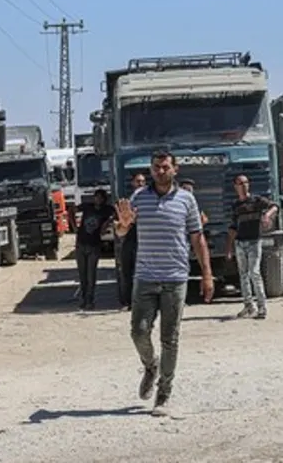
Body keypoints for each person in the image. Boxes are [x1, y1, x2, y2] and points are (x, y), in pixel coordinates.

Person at [114, 151, 213, 417]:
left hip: (175, 278)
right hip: (145, 278)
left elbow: (197, 239)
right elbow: (123, 230)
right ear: (151, 170)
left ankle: (163, 394)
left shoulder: (186, 200)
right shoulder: (139, 198)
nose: (160, 171)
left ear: (175, 169)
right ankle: (150, 365)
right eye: (156, 167)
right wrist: (123, 226)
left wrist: (206, 274)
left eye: (165, 167)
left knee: (170, 338)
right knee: (138, 331)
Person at [226, 174, 279, 320]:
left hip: (254, 242)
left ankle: (262, 307)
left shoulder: (257, 201)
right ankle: (248, 306)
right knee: (243, 275)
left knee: (254, 273)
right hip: (240, 243)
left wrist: (267, 215)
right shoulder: (236, 205)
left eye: (246, 183)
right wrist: (229, 248)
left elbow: (274, 206)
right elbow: (232, 228)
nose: (243, 185)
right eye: (240, 183)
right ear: (235, 186)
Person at [75, 189, 114, 310]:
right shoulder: (87, 207)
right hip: (81, 243)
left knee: (91, 274)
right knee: (82, 275)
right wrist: (74, 227)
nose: (98, 200)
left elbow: (116, 214)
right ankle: (83, 298)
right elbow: (72, 210)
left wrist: (106, 223)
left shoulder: (106, 210)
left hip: (94, 245)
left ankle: (89, 300)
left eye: (101, 198)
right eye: (96, 197)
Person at [116, 173, 148, 309]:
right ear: (133, 183)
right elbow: (119, 226)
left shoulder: (149, 201)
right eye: (138, 181)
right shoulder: (127, 202)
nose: (140, 184)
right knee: (127, 272)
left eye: (143, 181)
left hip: (145, 241)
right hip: (130, 239)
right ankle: (128, 302)